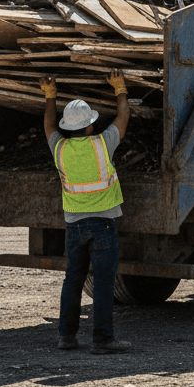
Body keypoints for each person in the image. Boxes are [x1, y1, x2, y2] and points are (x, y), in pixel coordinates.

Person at [42, 72, 131, 354]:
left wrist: (49, 95)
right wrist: (120, 88)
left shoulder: (59, 148)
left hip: (74, 227)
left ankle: (66, 337)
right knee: (104, 283)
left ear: (67, 128)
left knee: (73, 280)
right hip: (103, 225)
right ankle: (102, 340)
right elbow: (123, 117)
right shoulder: (103, 144)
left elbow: (47, 125)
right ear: (90, 127)